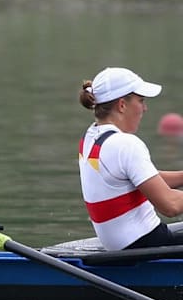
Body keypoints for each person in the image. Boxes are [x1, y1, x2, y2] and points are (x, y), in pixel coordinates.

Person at [77, 66, 183, 250]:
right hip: (146, 246)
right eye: (141, 101)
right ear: (122, 105)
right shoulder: (126, 144)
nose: (145, 108)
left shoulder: (91, 137)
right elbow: (170, 206)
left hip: (124, 246)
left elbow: (144, 177)